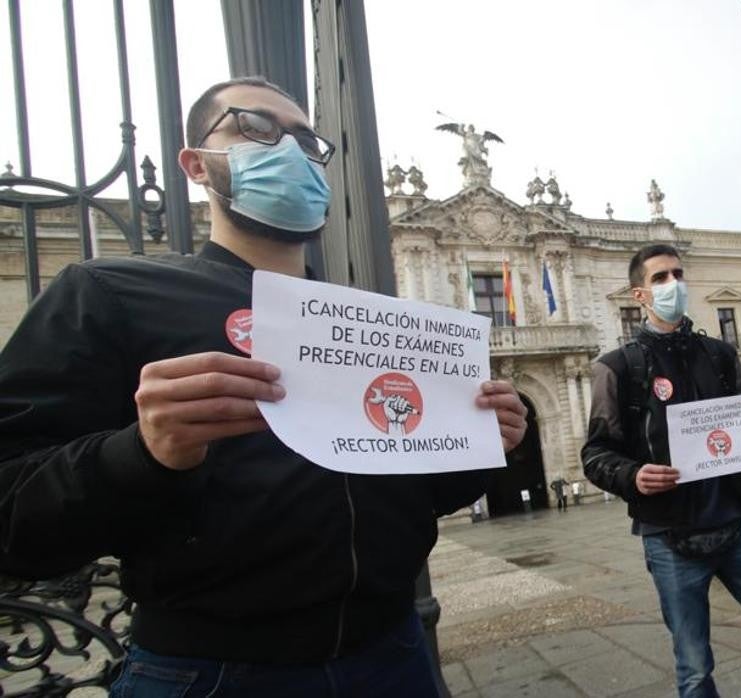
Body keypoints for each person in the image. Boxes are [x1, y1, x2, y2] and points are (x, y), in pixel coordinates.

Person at [0, 77, 528, 697]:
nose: (289, 150)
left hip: (394, 654)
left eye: (307, 142)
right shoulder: (109, 295)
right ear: (198, 163)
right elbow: (13, 512)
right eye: (255, 128)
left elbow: (406, 498)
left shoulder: (372, 322)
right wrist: (140, 452)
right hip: (211, 670)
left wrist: (481, 445)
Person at [582, 244, 741, 698]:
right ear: (640, 295)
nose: (674, 285)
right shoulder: (617, 368)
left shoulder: (721, 356)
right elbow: (595, 454)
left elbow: (739, 448)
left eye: (678, 274)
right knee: (694, 671)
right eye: (661, 278)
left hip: (737, 526)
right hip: (669, 538)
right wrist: (634, 477)